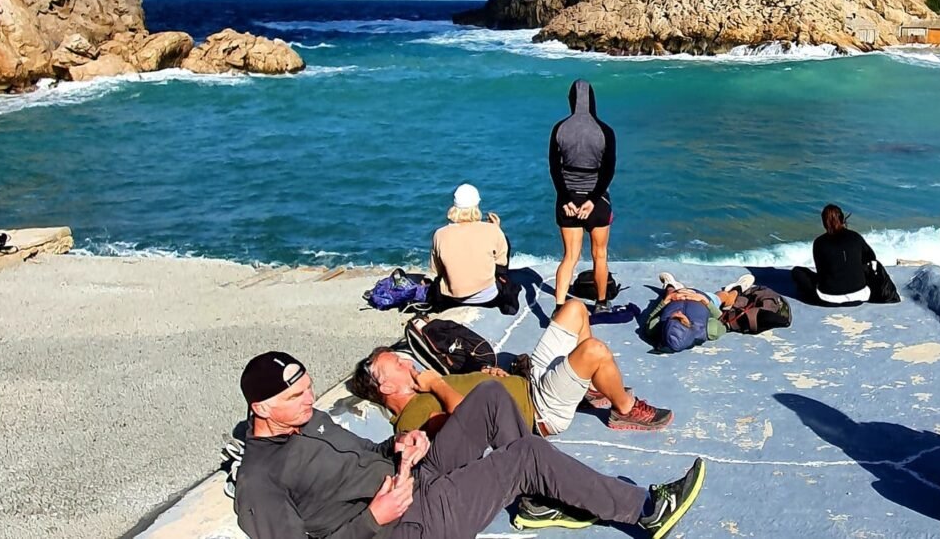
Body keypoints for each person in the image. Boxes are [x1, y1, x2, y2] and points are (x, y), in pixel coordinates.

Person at [232, 349, 705, 539]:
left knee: (491, 397)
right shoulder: (260, 483)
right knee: (526, 456)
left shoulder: (308, 420)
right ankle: (646, 511)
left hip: (410, 479)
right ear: (261, 408)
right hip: (404, 526)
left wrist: (399, 443)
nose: (310, 400)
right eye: (296, 396)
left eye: (309, 388)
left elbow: (363, 457)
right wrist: (374, 516)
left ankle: (535, 500)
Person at [351, 297, 672, 435]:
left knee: (574, 309)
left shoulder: (424, 388)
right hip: (541, 410)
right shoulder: (413, 415)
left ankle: (587, 386)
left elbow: (471, 394)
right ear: (387, 386)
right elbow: (464, 423)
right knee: (593, 351)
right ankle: (624, 409)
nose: (406, 360)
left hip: (529, 383)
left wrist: (491, 377)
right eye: (397, 363)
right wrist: (436, 383)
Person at [549, 80, 614, 307]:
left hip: (568, 201)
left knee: (570, 257)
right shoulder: (605, 131)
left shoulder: (559, 129)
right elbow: (608, 171)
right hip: (597, 202)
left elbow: (554, 168)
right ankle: (601, 304)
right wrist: (592, 200)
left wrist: (565, 198)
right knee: (600, 254)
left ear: (571, 100)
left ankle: (559, 306)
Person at [429, 184, 518, 312]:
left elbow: (436, 271)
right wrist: (498, 230)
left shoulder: (440, 234)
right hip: (488, 298)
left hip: (453, 299)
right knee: (503, 243)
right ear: (476, 205)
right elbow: (502, 264)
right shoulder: (492, 230)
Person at [791, 204, 877, 304]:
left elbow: (821, 272)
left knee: (797, 272)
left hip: (829, 297)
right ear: (842, 219)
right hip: (860, 294)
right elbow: (871, 257)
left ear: (824, 223)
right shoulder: (855, 237)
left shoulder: (819, 242)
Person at [640, 273, 733, 353]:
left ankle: (671, 285)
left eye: (673, 318)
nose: (678, 313)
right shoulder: (709, 330)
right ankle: (737, 289)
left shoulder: (655, 328)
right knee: (723, 296)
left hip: (677, 294)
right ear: (689, 327)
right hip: (702, 297)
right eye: (680, 319)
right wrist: (705, 301)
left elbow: (653, 316)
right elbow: (721, 318)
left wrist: (665, 301)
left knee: (669, 291)